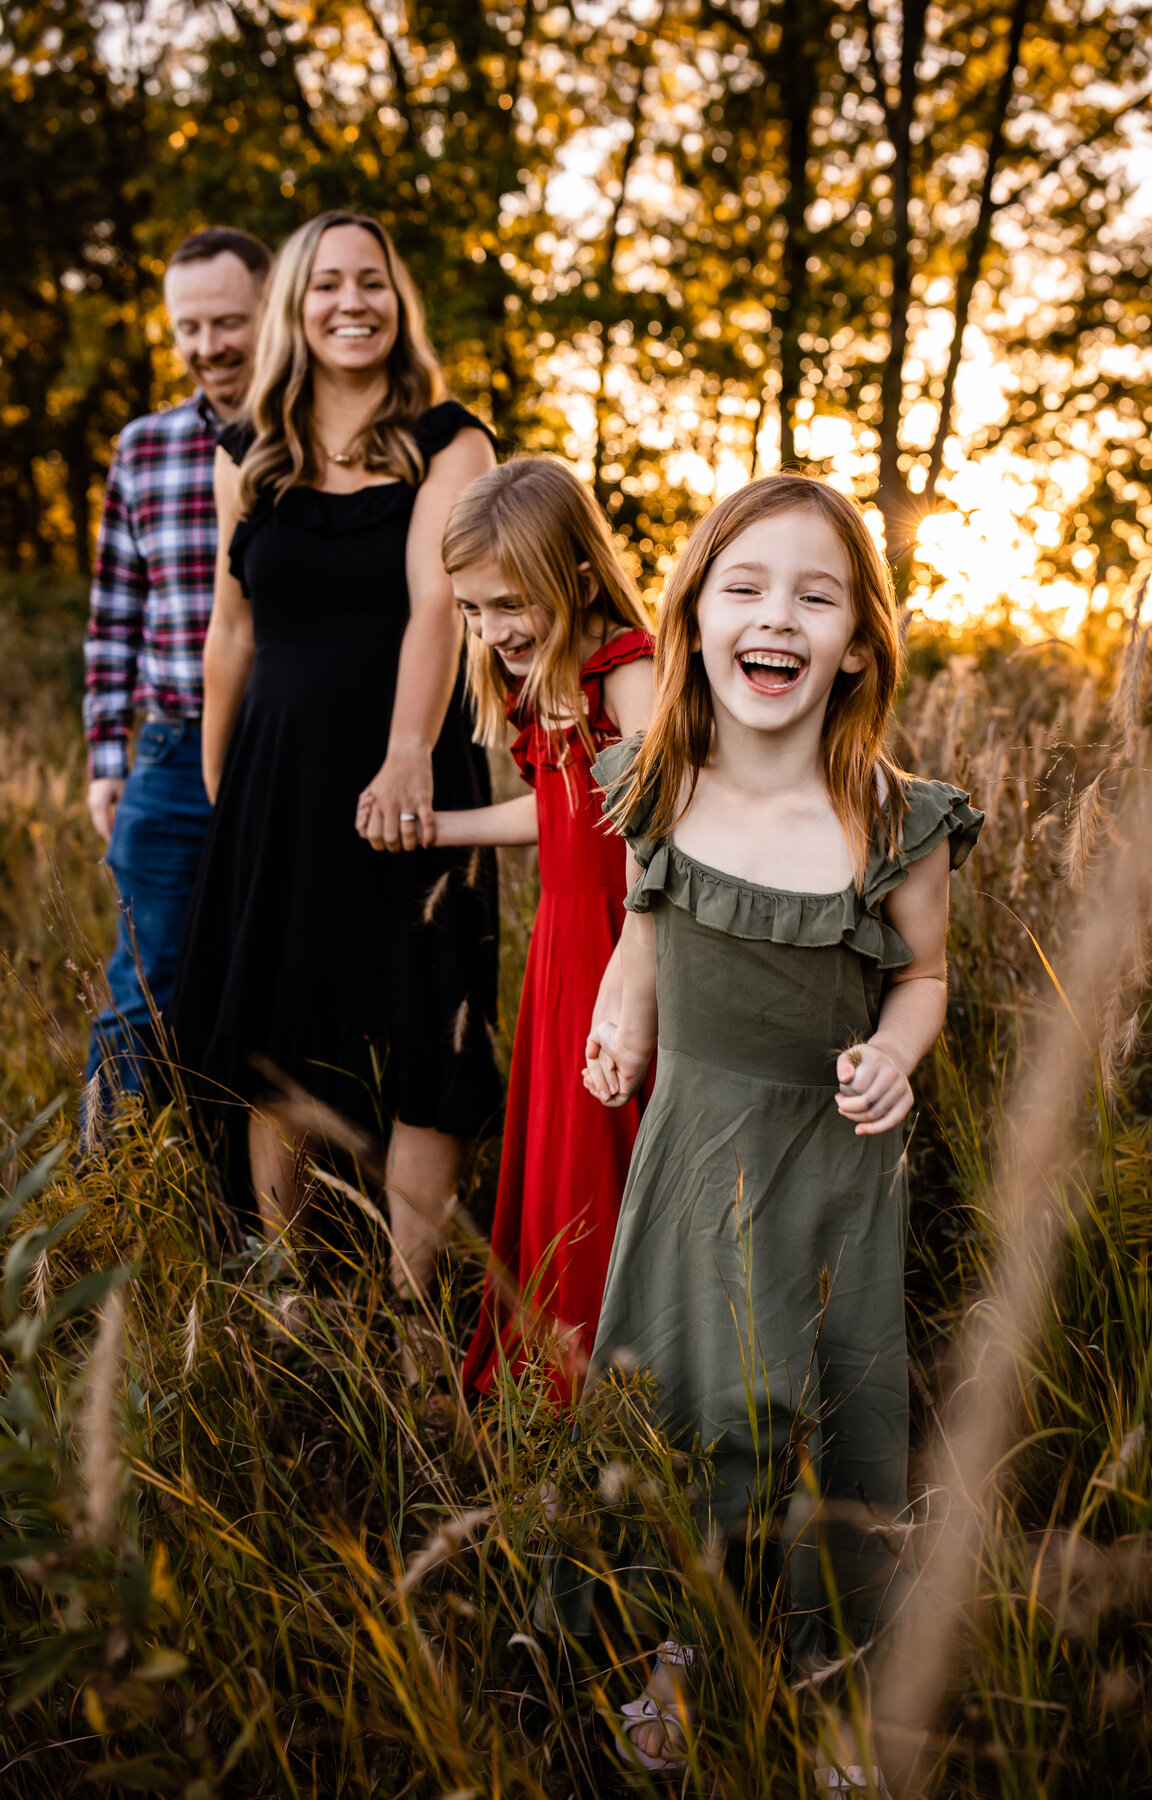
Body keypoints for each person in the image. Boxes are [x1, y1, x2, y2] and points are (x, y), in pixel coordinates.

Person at [579, 474, 983, 1780]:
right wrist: (621, 1024)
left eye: (816, 595)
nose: (778, 617)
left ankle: (835, 1683)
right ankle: (679, 1650)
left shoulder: (890, 819)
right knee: (698, 1401)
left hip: (832, 1162)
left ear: (859, 639)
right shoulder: (667, 784)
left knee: (823, 1416)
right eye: (745, 588)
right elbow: (640, 936)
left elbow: (921, 978)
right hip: (694, 1148)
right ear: (695, 619)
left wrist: (896, 1055)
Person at [168, 212, 501, 1289]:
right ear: (294, 309)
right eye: (326, 285)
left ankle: (409, 1312)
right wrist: (226, 788)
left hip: (411, 777)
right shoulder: (251, 457)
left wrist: (408, 751)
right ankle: (291, 1295)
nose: (351, 302)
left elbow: (435, 607)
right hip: (277, 784)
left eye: (372, 282)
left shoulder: (450, 444)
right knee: (277, 1029)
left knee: (425, 1032)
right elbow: (232, 634)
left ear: (396, 302)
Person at [402, 457, 654, 1400]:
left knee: (605, 1150)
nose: (491, 629)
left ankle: (609, 1372)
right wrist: (440, 828)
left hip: (622, 940)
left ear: (581, 580)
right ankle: (550, 1364)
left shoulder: (627, 672)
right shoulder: (548, 674)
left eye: (510, 603)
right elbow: (555, 813)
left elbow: (650, 828)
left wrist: (634, 970)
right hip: (561, 938)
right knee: (554, 1148)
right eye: (471, 610)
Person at [82, 227, 271, 1100]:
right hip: (168, 752)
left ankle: (256, 1209)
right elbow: (114, 614)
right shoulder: (143, 448)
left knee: (276, 988)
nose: (208, 348)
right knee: (144, 991)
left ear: (272, 307)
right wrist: (106, 761)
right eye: (188, 329)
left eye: (227, 323)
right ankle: (109, 1199)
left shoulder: (316, 444)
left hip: (286, 750)